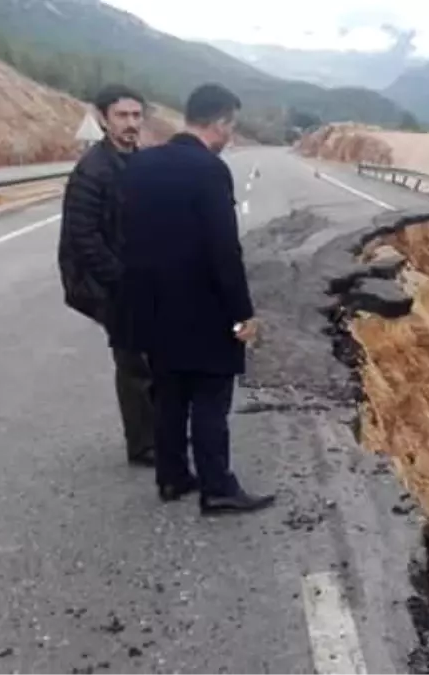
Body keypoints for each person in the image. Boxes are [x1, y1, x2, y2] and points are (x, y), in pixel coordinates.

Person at [114, 83, 274, 515]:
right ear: (219, 122)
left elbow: (124, 236)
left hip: (153, 307)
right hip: (203, 311)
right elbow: (224, 251)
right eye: (231, 127)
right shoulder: (209, 170)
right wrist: (243, 314)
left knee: (168, 396)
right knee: (208, 399)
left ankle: (172, 477)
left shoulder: (140, 165)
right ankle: (217, 487)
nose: (231, 138)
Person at [58, 84, 156, 467]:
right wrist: (122, 280)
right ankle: (143, 445)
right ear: (102, 118)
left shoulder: (140, 161)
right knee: (133, 362)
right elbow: (83, 238)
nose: (131, 124)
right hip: (109, 284)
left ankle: (157, 432)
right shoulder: (92, 171)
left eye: (136, 116)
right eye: (122, 116)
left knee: (152, 356)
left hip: (138, 275)